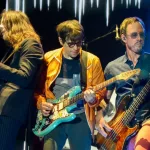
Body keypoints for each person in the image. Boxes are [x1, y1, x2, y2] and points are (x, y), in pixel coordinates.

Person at [34, 19, 106, 150]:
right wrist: (41, 103)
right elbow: (38, 90)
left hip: (80, 116)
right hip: (53, 116)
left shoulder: (92, 61)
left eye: (79, 43)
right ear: (61, 41)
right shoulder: (48, 58)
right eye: (71, 44)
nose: (76, 48)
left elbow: (101, 92)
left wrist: (93, 99)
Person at [96, 17, 150, 150]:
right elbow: (104, 100)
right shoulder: (112, 67)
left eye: (141, 34)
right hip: (121, 125)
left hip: (146, 119)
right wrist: (99, 119)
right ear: (124, 38)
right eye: (134, 35)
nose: (139, 38)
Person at [0, 10, 44, 150]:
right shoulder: (16, 47)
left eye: (3, 29)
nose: (2, 33)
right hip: (5, 106)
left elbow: (24, 78)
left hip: (12, 109)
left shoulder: (31, 44)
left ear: (14, 26)